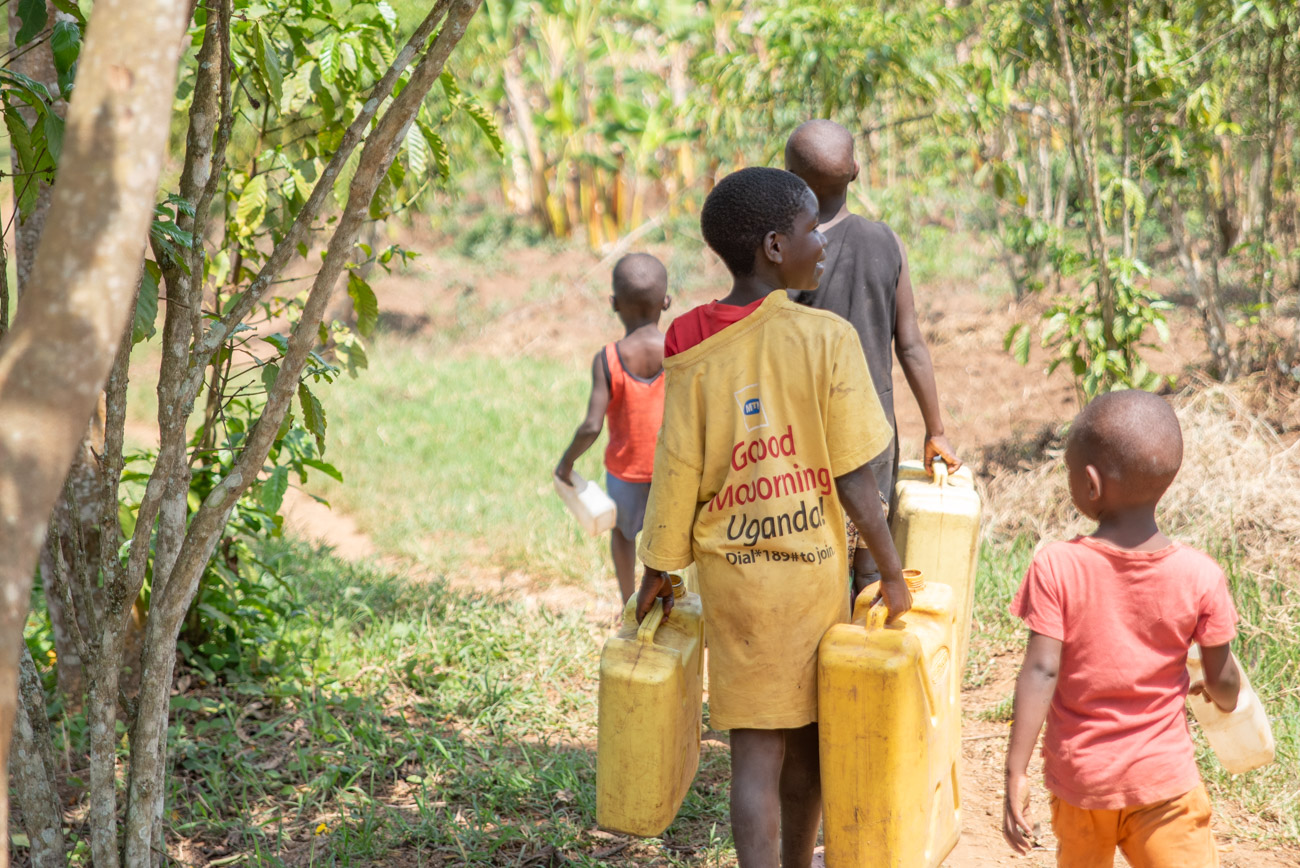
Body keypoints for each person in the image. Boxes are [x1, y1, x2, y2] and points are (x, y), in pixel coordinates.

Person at [634, 167, 911, 868]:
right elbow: (855, 477)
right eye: (810, 228)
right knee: (812, 745)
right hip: (812, 579)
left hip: (736, 584)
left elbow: (676, 469)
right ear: (774, 246)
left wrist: (656, 567)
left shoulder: (691, 344)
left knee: (754, 756)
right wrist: (890, 567)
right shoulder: (827, 339)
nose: (822, 240)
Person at [1002, 390, 1242, 868]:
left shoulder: (1057, 566)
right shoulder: (1201, 576)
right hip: (1164, 782)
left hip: (1081, 784)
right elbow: (1224, 683)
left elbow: (1041, 672)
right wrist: (1223, 692)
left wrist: (1015, 771)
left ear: (1090, 485)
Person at [784, 119, 961, 594]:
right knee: (869, 564)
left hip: (801, 431)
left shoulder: (785, 251)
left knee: (806, 558)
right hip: (873, 428)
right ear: (856, 171)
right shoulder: (887, 242)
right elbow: (911, 344)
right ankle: (861, 661)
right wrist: (936, 430)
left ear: (789, 178)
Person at [555, 253, 670, 603]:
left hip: (625, 472)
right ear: (666, 302)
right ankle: (672, 600)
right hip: (672, 468)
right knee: (671, 538)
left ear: (614, 303)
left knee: (623, 534)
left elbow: (592, 425)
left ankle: (628, 602)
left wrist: (567, 463)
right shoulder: (679, 351)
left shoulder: (608, 359)